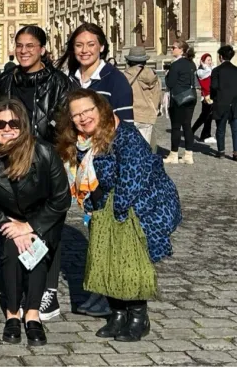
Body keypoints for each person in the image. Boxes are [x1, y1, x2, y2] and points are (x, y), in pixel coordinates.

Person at [56, 89, 181, 342]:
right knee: (105, 260)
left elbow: (133, 177)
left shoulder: (125, 135)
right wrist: (95, 207)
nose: (83, 118)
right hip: (103, 204)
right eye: (76, 114)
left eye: (87, 111)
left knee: (129, 262)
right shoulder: (82, 141)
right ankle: (117, 314)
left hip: (136, 206)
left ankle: (138, 316)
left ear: (100, 108)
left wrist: (116, 213)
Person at [0, 99, 70, 347]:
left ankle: (32, 314)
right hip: (8, 218)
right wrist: (9, 224)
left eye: (13, 123)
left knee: (34, 252)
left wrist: (30, 226)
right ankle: (13, 313)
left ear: (23, 126)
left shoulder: (44, 152)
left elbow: (61, 198)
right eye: (0, 123)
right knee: (13, 253)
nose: (7, 128)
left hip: (43, 218)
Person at [0, 26, 71, 320]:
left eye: (30, 46)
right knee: (18, 222)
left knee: (47, 225)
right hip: (13, 159)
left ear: (42, 49)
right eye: (19, 45)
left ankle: (48, 290)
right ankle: (22, 283)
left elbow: (65, 126)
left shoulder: (59, 82)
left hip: (45, 159)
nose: (24, 51)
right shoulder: (7, 80)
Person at [57, 23, 134, 123]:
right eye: (79, 45)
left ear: (101, 47)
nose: (84, 50)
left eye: (91, 45)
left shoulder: (116, 80)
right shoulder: (67, 79)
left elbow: (126, 125)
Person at [164, 40, 197, 164]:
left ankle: (174, 154)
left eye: (174, 47)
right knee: (187, 126)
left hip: (178, 98)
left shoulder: (175, 65)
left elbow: (170, 84)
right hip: (191, 97)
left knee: (176, 127)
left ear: (181, 50)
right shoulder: (191, 64)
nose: (172, 49)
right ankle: (189, 155)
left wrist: (167, 74)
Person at [211, 45, 237, 161]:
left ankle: (221, 151)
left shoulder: (216, 71)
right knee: (236, 129)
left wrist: (212, 98)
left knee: (220, 128)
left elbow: (214, 87)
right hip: (236, 103)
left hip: (221, 102)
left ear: (220, 57)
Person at [122, 47, 162, 146]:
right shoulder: (153, 75)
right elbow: (157, 95)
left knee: (129, 147)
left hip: (130, 114)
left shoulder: (125, 75)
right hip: (148, 115)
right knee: (144, 147)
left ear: (129, 60)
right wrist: (155, 110)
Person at [192, 53, 215, 144]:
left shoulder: (209, 69)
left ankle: (205, 135)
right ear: (203, 61)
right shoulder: (200, 71)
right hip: (206, 97)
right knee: (204, 116)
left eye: (210, 60)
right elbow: (207, 73)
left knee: (208, 116)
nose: (210, 62)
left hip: (211, 96)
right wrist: (205, 66)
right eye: (208, 60)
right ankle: (192, 131)